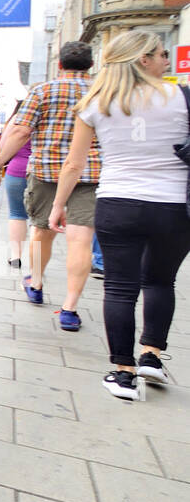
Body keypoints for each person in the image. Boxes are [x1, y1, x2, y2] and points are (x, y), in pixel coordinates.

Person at [46, 30, 188, 401]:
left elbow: (74, 164)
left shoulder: (96, 102)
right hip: (173, 206)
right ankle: (152, 356)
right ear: (143, 60)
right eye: (161, 54)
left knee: (120, 288)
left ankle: (123, 373)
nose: (166, 60)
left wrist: (59, 205)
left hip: (118, 203)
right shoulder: (183, 97)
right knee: (160, 282)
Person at [0, 41, 101, 329]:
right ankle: (69, 308)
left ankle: (36, 284)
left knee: (41, 230)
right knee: (81, 240)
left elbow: (21, 131)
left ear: (60, 65)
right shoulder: (103, 90)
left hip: (46, 173)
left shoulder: (43, 91)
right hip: (90, 176)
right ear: (91, 65)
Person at [1, 100, 31, 270]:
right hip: (42, 171)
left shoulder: (17, 120)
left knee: (17, 214)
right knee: (39, 220)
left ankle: (15, 256)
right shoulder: (47, 118)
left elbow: (4, 145)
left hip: (17, 170)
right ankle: (37, 259)